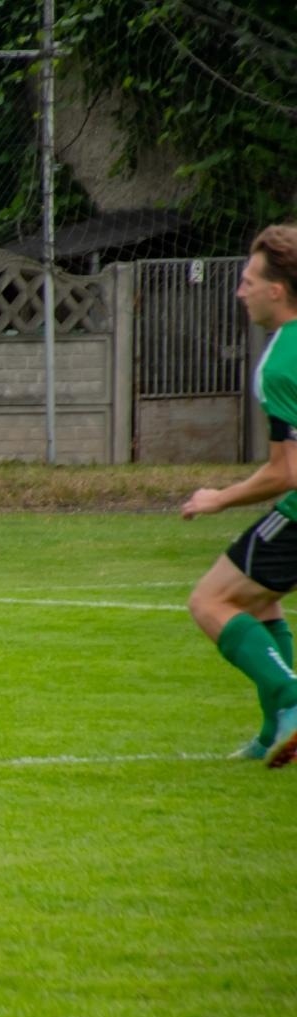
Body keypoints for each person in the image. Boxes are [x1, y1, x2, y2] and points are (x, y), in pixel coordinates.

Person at [182, 223, 297, 768]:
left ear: (277, 289)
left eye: (248, 281)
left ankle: (292, 699)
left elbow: (286, 472)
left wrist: (218, 498)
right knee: (259, 598)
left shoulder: (281, 363)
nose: (240, 291)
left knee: (209, 602)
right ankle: (274, 729)